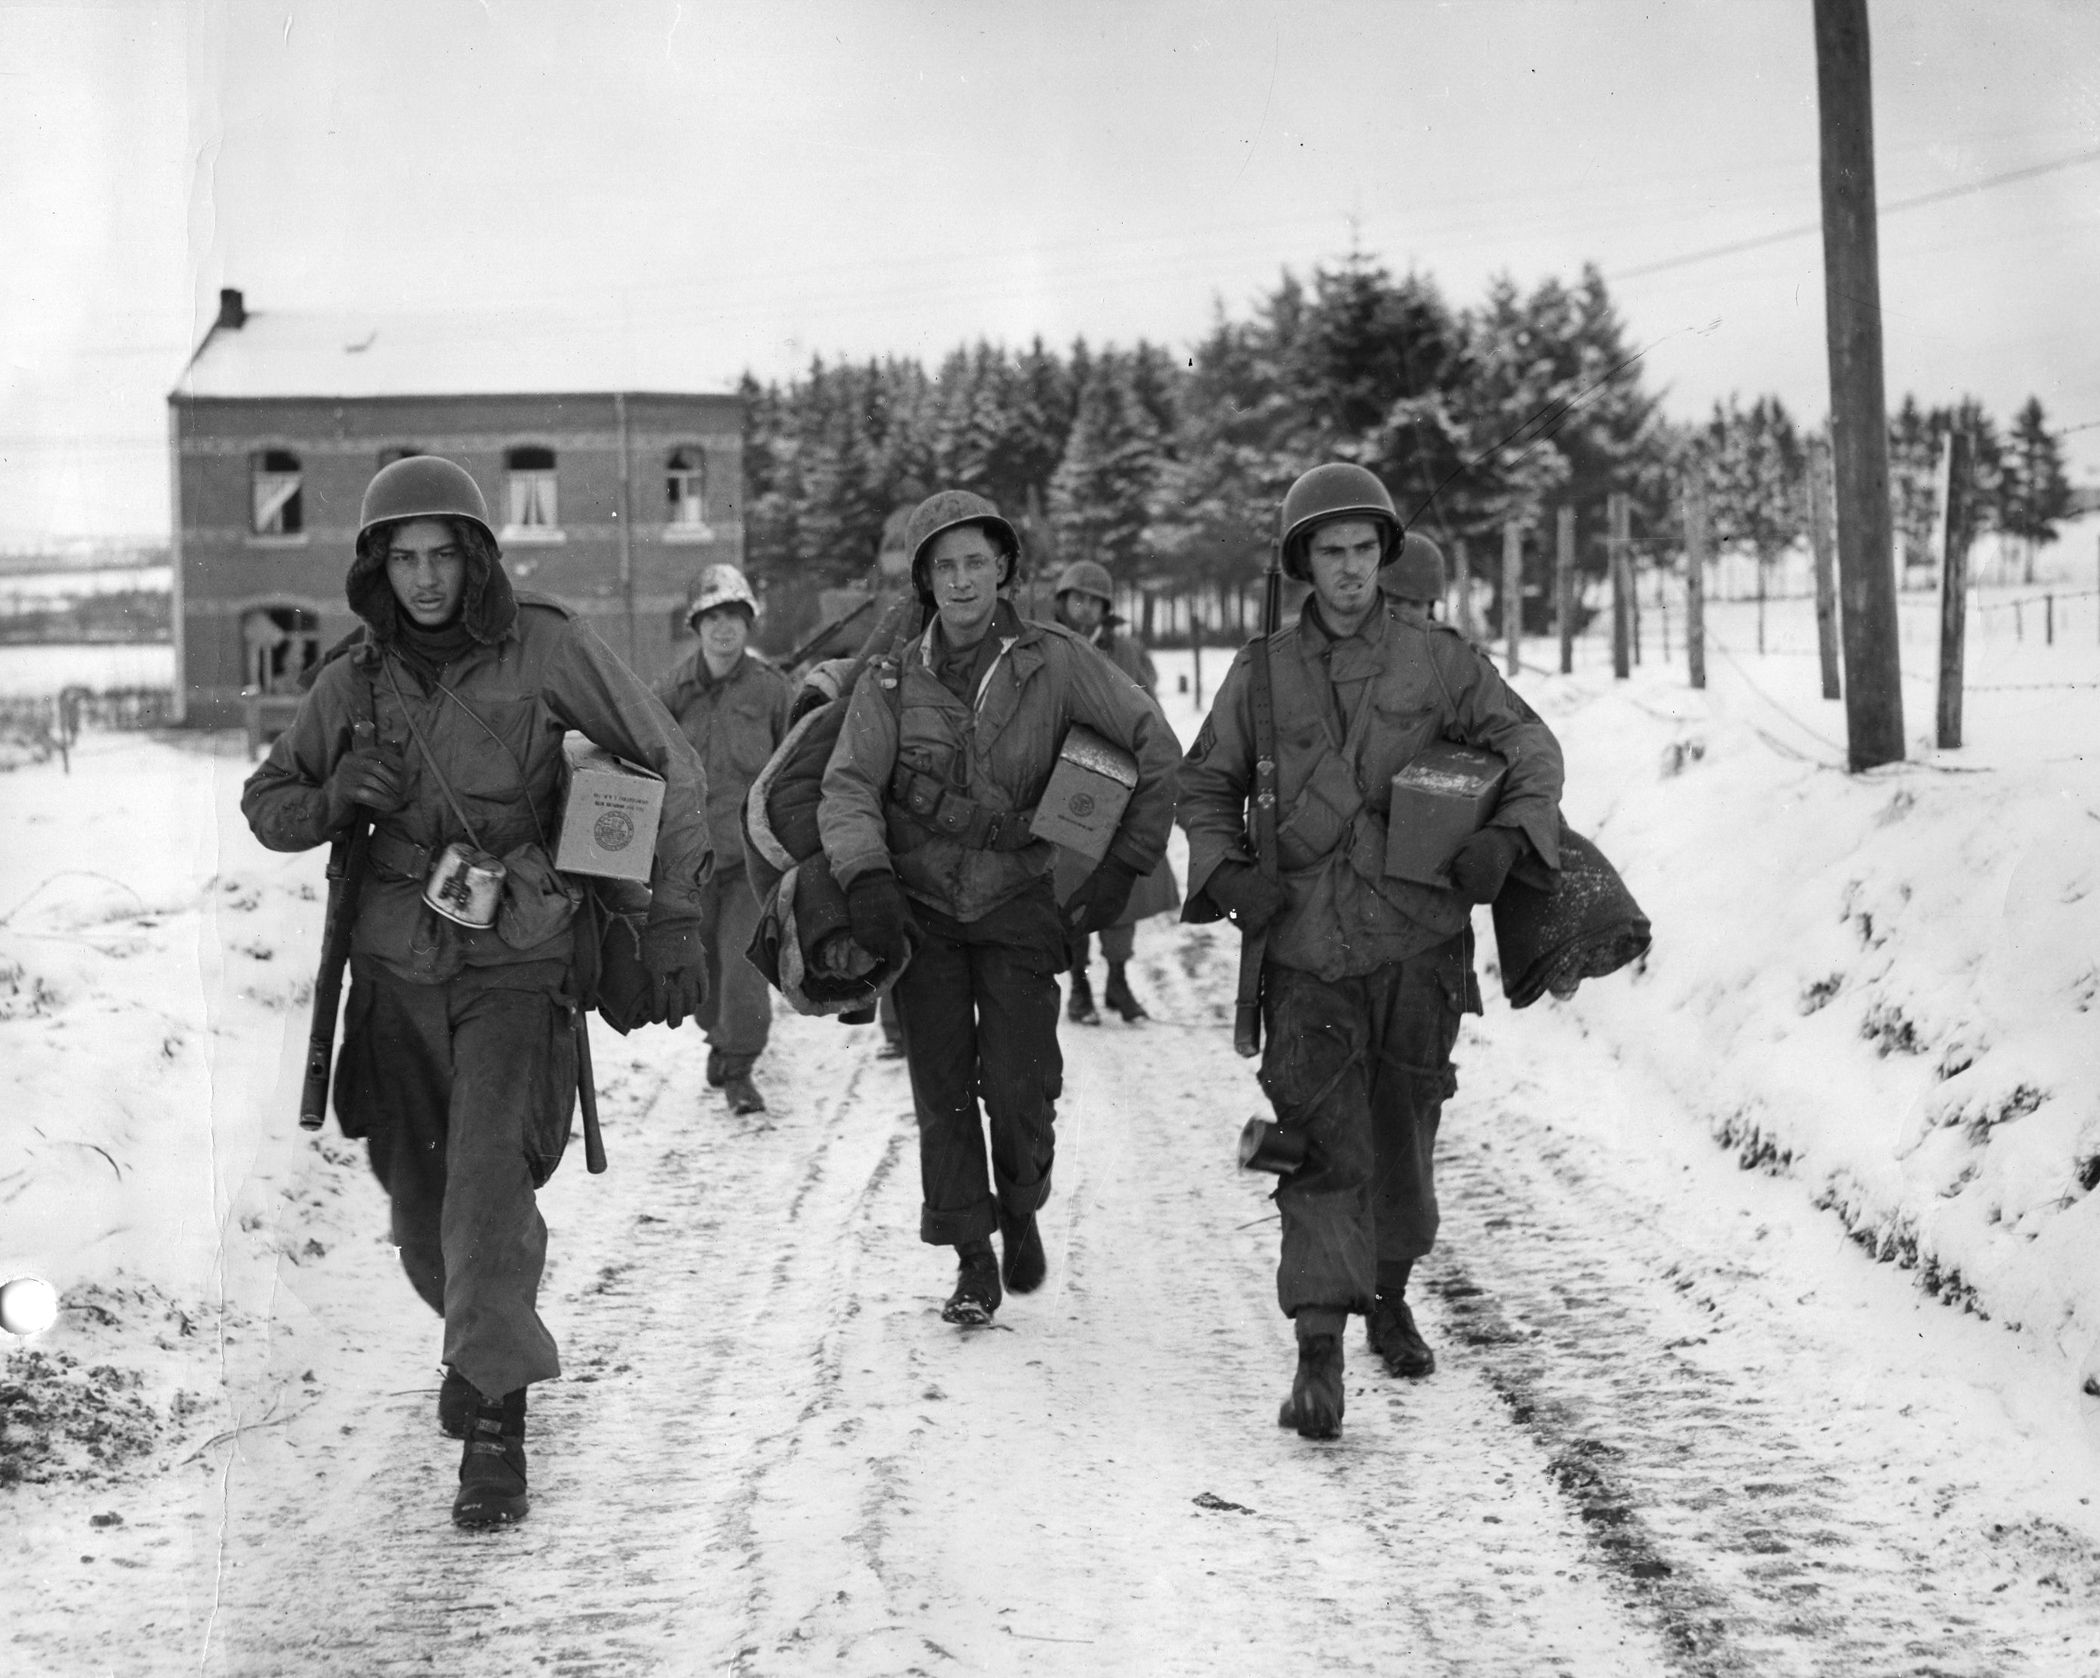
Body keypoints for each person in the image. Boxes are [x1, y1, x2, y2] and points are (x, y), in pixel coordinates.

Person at [241, 455, 714, 1527]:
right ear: (377, 570)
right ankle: (477, 1336)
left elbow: (667, 764)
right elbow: (265, 800)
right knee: (421, 1220)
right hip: (395, 975)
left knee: (486, 1190)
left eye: (441, 555)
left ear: (476, 557)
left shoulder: (546, 644)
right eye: (401, 559)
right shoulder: (354, 680)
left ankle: (498, 1418)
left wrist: (673, 910)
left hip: (519, 954)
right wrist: (330, 796)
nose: (422, 579)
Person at [1177, 463, 1564, 1440]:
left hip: (1418, 942)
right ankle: (1318, 1348)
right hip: (1305, 947)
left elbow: (1530, 750)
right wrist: (1227, 873)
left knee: (1404, 1139)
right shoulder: (1259, 671)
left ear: (1384, 557)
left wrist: (1503, 840)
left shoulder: (1438, 661)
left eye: (1363, 549)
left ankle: (1387, 1291)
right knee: (1319, 1146)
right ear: (1302, 563)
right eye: (1329, 551)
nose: (1348, 570)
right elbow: (1203, 786)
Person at [818, 491, 1179, 1325]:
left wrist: (1125, 860)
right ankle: (972, 1256)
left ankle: (1020, 1205)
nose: (962, 580)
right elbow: (847, 786)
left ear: (1004, 567)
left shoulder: (1055, 659)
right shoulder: (889, 677)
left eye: (976, 561)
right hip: (924, 909)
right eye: (944, 566)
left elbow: (1152, 741)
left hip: (1020, 901)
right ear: (924, 580)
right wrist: (868, 876)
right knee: (940, 1089)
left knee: (1021, 1088)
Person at [654, 564, 793, 1114]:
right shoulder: (671, 692)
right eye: (713, 617)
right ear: (697, 626)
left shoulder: (773, 690)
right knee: (701, 974)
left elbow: (796, 765)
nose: (724, 629)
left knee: (742, 969)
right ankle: (717, 1035)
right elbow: (641, 758)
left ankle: (739, 1068)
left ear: (748, 624)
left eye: (734, 616)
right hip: (689, 865)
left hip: (749, 865)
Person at [1048, 558, 1180, 1024]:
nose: (1085, 609)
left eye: (1094, 601)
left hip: (1120, 774)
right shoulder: (1047, 646)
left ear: (1107, 608)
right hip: (1066, 782)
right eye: (1077, 598)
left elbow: (1151, 714)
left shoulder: (1125, 650)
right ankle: (1079, 986)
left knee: (1122, 888)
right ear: (1062, 601)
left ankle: (1118, 982)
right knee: (1071, 887)